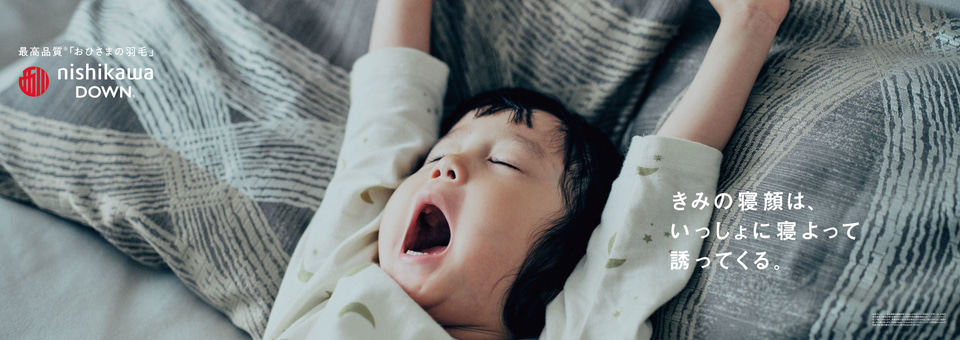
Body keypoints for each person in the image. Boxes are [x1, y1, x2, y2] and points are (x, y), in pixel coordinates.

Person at [262, 0, 790, 339]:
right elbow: (384, 124)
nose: (446, 168)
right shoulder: (334, 274)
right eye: (437, 155)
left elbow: (644, 219)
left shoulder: (575, 329)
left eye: (504, 161)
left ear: (561, 262)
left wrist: (750, 24)